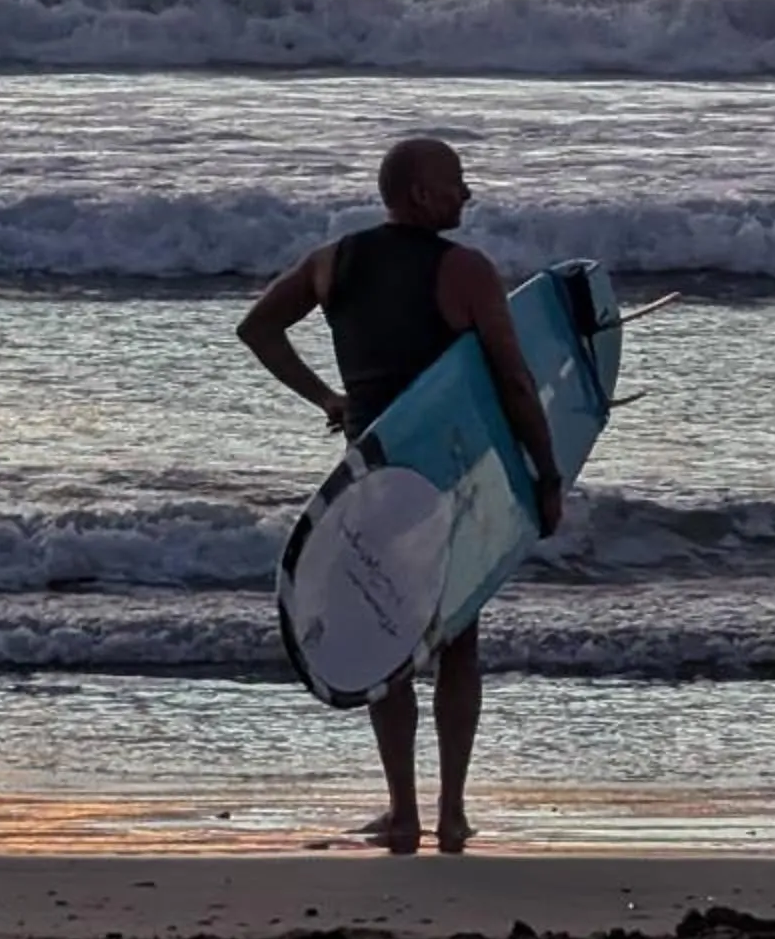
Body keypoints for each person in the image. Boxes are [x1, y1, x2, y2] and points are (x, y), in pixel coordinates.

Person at [237, 135, 563, 852]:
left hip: (374, 479)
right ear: (420, 194)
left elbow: (257, 328)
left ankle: (403, 814)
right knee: (458, 641)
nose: (466, 194)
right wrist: (546, 473)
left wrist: (329, 398)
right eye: (455, 183)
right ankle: (451, 812)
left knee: (386, 638)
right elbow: (511, 379)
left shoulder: (332, 262)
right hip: (449, 478)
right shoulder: (466, 271)